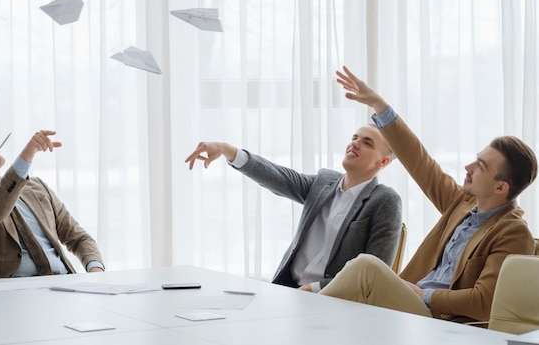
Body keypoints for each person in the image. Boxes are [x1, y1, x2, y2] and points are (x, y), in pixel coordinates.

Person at [319, 66, 537, 324]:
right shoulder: (462, 203)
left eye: (480, 166)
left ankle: (307, 314)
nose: (468, 167)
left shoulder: (512, 233)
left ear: (501, 187)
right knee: (347, 308)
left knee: (365, 267)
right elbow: (419, 161)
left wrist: (426, 295)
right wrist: (378, 104)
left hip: (437, 317)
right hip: (409, 304)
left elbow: (484, 302)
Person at [185, 125, 403, 292]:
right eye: (354, 137)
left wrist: (315, 288)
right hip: (287, 290)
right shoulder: (323, 182)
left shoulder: (385, 200)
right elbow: (278, 177)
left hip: (335, 301)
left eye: (367, 143)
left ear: (383, 162)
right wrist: (227, 150)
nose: (354, 143)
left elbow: (375, 273)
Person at [0, 130, 105, 280]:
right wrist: (26, 156)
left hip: (62, 282)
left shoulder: (37, 187)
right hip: (7, 296)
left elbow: (77, 236)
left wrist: (95, 270)